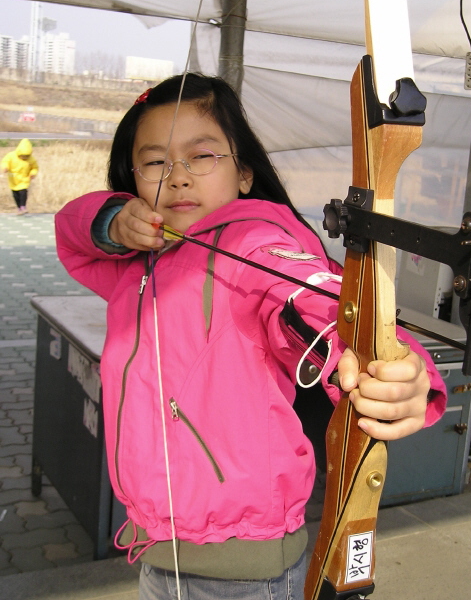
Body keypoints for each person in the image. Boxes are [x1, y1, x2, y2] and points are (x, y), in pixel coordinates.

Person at [55, 73, 446, 600]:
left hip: (243, 572)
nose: (178, 178)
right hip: (160, 554)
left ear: (243, 173)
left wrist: (390, 366)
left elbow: (314, 297)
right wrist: (111, 220)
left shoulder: (255, 244)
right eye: (155, 162)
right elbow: (71, 235)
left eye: (202, 156)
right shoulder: (138, 263)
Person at [1, 138, 38, 214]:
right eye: (23, 156)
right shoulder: (11, 156)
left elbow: (35, 168)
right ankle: (19, 208)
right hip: (13, 179)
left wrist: (33, 173)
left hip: (24, 179)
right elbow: (5, 162)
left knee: (23, 192)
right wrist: (5, 168)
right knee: (15, 194)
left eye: (26, 156)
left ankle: (23, 206)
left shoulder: (31, 159)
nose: (24, 157)